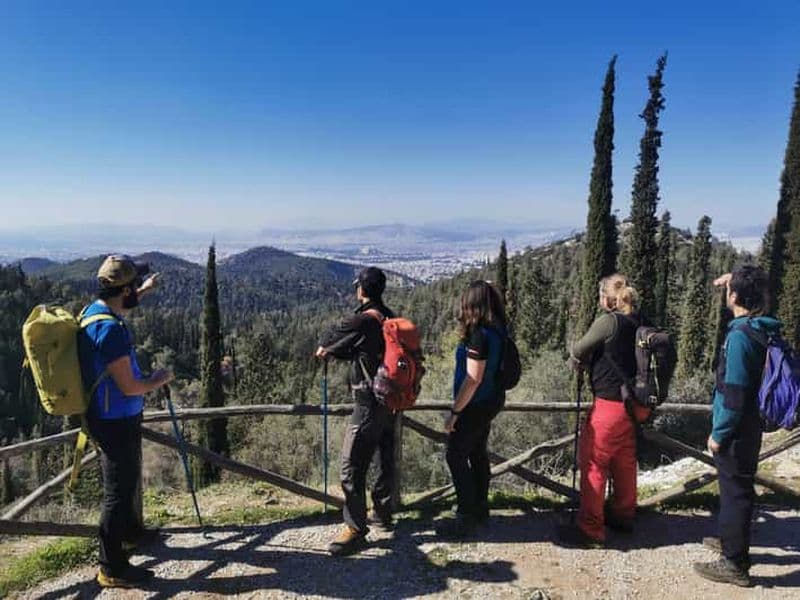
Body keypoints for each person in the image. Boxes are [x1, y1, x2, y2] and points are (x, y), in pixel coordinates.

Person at [78, 255, 174, 588]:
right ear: (125, 289)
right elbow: (130, 386)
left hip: (110, 414)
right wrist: (159, 379)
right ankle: (111, 567)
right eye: (135, 286)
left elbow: (121, 308)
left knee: (126, 481)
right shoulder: (110, 330)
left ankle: (132, 534)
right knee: (117, 493)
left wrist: (144, 291)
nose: (138, 290)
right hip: (114, 418)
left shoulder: (97, 312)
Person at [693, 266, 779, 587]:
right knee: (738, 488)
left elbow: (735, 392)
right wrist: (735, 281)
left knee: (735, 494)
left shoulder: (741, 336)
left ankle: (734, 563)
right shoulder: (761, 327)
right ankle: (732, 542)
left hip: (736, 430)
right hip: (751, 425)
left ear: (736, 297)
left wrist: (719, 433)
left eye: (731, 291)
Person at [561, 273, 650, 548]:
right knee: (624, 461)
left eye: (601, 295)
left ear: (607, 299)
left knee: (594, 464)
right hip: (634, 405)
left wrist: (576, 359)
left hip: (609, 405)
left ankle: (591, 528)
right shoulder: (639, 320)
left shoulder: (608, 321)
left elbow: (580, 348)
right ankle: (623, 515)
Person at [315, 266, 397, 556]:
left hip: (368, 403)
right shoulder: (389, 317)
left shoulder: (361, 320)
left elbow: (326, 343)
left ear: (361, 290)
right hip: (391, 402)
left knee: (350, 466)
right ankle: (384, 513)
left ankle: (355, 528)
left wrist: (326, 350)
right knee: (385, 457)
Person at [440, 280, 507, 537]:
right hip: (491, 400)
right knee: (478, 452)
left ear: (473, 305)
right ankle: (480, 507)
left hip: (475, 404)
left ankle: (465, 515)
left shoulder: (479, 334)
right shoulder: (499, 329)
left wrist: (455, 412)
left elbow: (473, 378)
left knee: (455, 455)